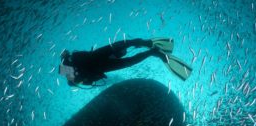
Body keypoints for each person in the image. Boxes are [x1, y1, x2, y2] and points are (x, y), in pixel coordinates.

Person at [58, 38, 192, 86]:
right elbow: (68, 68)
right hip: (97, 58)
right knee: (123, 46)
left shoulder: (69, 69)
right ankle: (147, 46)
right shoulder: (67, 68)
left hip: (99, 63)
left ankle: (151, 50)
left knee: (127, 58)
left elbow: (79, 75)